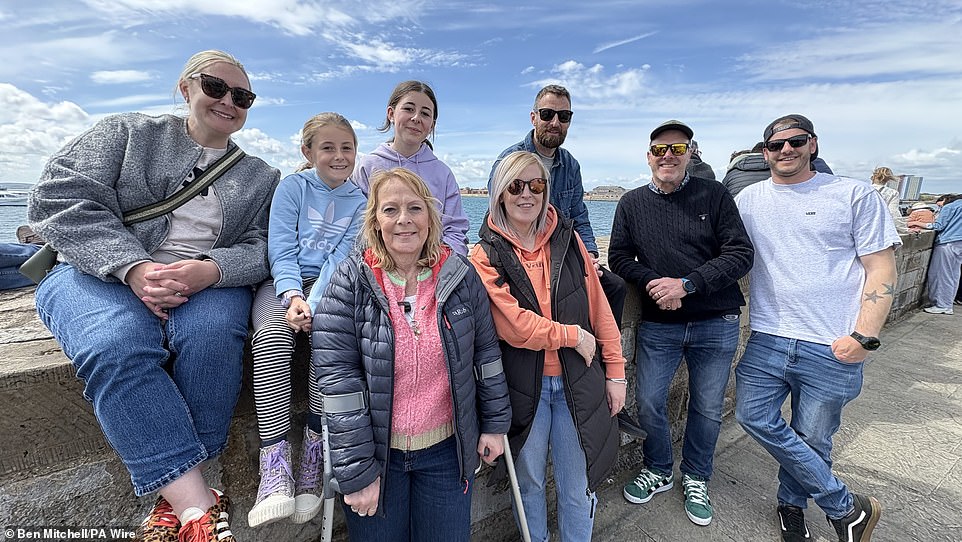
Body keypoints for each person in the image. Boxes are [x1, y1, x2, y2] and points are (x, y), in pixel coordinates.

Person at [27, 50, 280, 542]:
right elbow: (57, 200)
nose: (229, 102)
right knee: (115, 344)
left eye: (242, 96)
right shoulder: (125, 133)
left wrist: (214, 269)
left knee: (212, 339)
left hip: (206, 280)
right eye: (216, 88)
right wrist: (133, 266)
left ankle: (177, 500)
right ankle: (198, 508)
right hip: (97, 271)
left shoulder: (260, 177)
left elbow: (267, 245)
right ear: (186, 88)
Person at [313, 168, 511, 541]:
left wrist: (495, 425)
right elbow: (340, 384)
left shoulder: (460, 276)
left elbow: (486, 357)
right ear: (374, 221)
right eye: (390, 210)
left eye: (414, 208)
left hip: (446, 453)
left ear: (430, 217)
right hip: (376, 456)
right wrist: (357, 473)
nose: (403, 220)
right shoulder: (348, 281)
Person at [734, 114, 899, 542]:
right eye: (775, 145)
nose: (785, 150)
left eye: (796, 141)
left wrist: (864, 336)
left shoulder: (853, 194)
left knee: (814, 436)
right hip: (769, 336)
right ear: (764, 151)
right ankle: (845, 507)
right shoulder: (749, 199)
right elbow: (721, 247)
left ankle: (792, 506)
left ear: (813, 144)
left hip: (832, 341)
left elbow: (880, 267)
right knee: (752, 416)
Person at [471, 150, 626, 541]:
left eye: (536, 185)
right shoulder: (485, 254)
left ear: (546, 190)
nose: (527, 194)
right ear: (500, 193)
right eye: (516, 186)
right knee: (529, 486)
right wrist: (573, 335)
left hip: (578, 383)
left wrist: (616, 372)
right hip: (524, 389)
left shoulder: (568, 239)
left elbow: (599, 307)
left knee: (578, 486)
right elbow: (513, 326)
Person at [609, 120, 754, 527]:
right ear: (648, 156)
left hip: (716, 320)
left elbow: (741, 254)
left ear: (691, 152)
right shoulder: (631, 203)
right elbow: (619, 257)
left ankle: (696, 477)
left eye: (677, 148)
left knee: (707, 407)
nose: (667, 156)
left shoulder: (716, 195)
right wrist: (653, 282)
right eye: (659, 150)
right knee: (649, 401)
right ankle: (658, 468)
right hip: (660, 323)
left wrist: (688, 285)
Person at [247, 113, 367, 527]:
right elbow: (280, 248)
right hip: (283, 285)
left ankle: (314, 455)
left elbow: (342, 259)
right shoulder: (293, 188)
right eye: (328, 148)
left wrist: (314, 302)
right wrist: (293, 296)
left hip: (330, 289)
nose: (338, 156)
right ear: (308, 152)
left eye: (346, 148)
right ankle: (276, 462)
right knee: (272, 340)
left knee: (328, 348)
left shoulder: (361, 202)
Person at [488, 84, 627, 328]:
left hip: (563, 252)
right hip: (524, 254)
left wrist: (590, 255)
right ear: (533, 118)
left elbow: (579, 216)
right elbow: (496, 217)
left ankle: (600, 357)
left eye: (564, 116)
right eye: (547, 114)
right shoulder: (509, 160)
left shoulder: (570, 165)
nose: (555, 122)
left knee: (614, 286)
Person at [350, 80, 470, 255]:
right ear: (391, 114)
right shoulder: (368, 166)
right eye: (408, 109)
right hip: (378, 266)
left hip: (433, 268)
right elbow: (356, 227)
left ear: (432, 125)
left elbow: (455, 230)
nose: (416, 118)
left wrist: (436, 264)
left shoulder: (443, 173)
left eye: (425, 113)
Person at [909, 194, 962, 315]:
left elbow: (938, 226)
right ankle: (948, 302)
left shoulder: (950, 207)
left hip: (948, 242)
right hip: (959, 242)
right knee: (954, 275)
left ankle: (942, 305)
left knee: (942, 274)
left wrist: (916, 223)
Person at [870, 167, 906, 233]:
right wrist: (904, 229)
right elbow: (893, 212)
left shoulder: (862, 190)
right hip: (877, 228)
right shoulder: (892, 193)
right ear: (888, 179)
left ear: (873, 177)